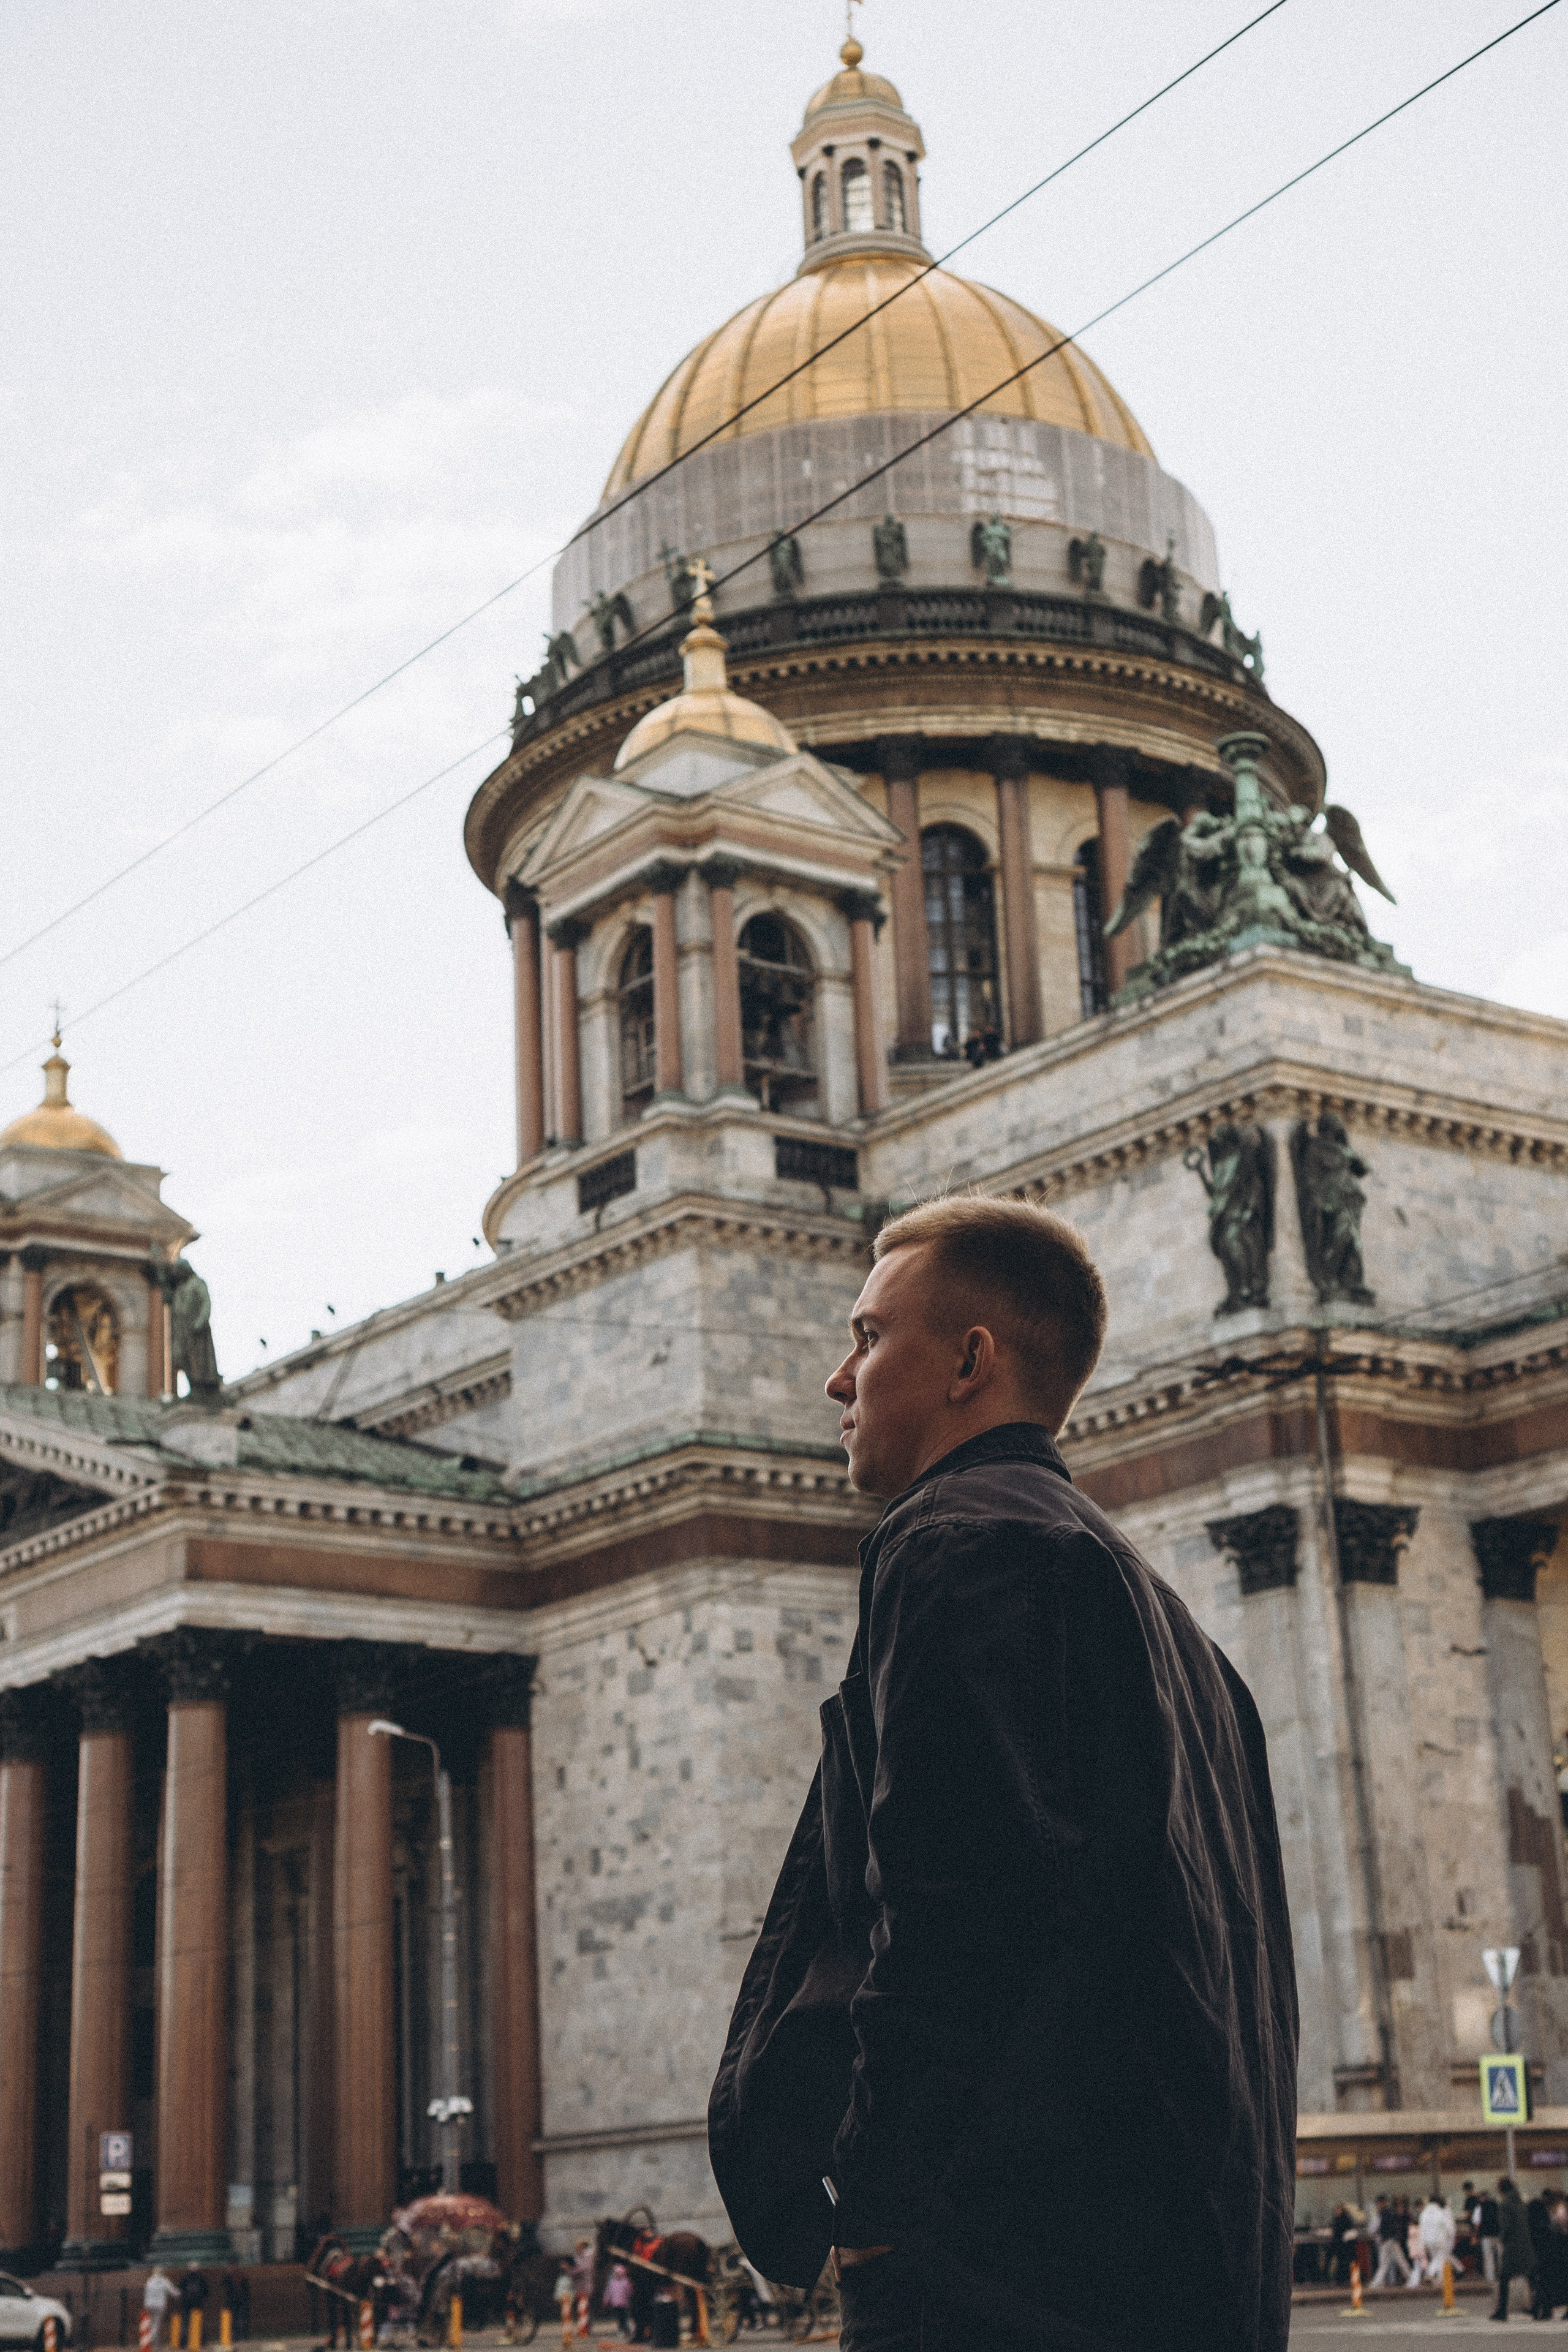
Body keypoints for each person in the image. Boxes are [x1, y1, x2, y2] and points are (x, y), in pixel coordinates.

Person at [708, 1195, 1300, 2352]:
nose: (840, 1377)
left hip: (1007, 2271)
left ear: (970, 1362)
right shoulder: (1180, 1632)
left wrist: (878, 2209)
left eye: (871, 1336)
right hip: (1185, 2267)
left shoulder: (961, 1543)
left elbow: (948, 1914)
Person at [1493, 2176, 1535, 2321]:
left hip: (1512, 2245)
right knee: (1530, 2276)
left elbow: (1506, 2226)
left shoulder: (1505, 2204)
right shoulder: (1521, 2202)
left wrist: (1503, 2240)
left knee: (1504, 2278)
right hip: (1525, 2243)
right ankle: (1537, 2306)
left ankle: (1502, 2311)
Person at [1415, 2195, 1455, 2287]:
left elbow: (1421, 2229)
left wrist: (1421, 2244)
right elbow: (1449, 2227)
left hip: (1428, 2241)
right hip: (1441, 2239)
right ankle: (1431, 2273)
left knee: (1438, 2259)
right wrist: (1451, 2237)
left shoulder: (1424, 2213)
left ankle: (1440, 2280)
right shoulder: (1440, 2212)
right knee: (1440, 2258)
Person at [1371, 2196, 1410, 2289]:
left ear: (1382, 2203)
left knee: (1385, 2262)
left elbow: (1383, 2227)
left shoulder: (1384, 2212)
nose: (1378, 2205)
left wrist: (1383, 2238)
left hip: (1388, 2240)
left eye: (1378, 2203)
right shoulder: (1389, 2212)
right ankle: (1411, 2278)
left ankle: (1377, 2283)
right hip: (1392, 2240)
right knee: (1399, 2260)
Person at [1472, 2182, 1502, 2283]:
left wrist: (1476, 2236)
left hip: (1486, 2235)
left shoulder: (1479, 2207)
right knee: (1499, 2255)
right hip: (1498, 2234)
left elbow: (1477, 2223)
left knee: (1488, 2257)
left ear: (1482, 2198)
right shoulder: (1496, 2205)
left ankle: (1490, 2278)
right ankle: (1502, 2276)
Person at [143, 2268, 175, 2350]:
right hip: (160, 2305)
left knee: (149, 2324)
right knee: (156, 2325)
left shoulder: (150, 2280)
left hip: (149, 2305)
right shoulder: (164, 2281)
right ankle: (151, 2341)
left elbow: (146, 2292)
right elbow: (173, 2292)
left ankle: (156, 2345)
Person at [179, 2267, 210, 2350]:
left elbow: (180, 2289)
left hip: (187, 2304)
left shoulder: (186, 2278)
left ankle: (184, 2343)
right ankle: (202, 2342)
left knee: (185, 2323)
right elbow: (207, 2291)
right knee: (200, 2323)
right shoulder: (201, 2278)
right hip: (198, 2304)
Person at [602, 2266, 633, 2340]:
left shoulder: (625, 2282)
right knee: (619, 2318)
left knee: (625, 2317)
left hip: (624, 2304)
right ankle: (621, 2330)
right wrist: (606, 2299)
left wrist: (630, 2295)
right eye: (615, 2273)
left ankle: (626, 2329)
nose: (616, 2275)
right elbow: (609, 2292)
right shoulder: (612, 2282)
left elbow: (630, 2291)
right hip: (616, 2304)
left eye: (618, 2273)